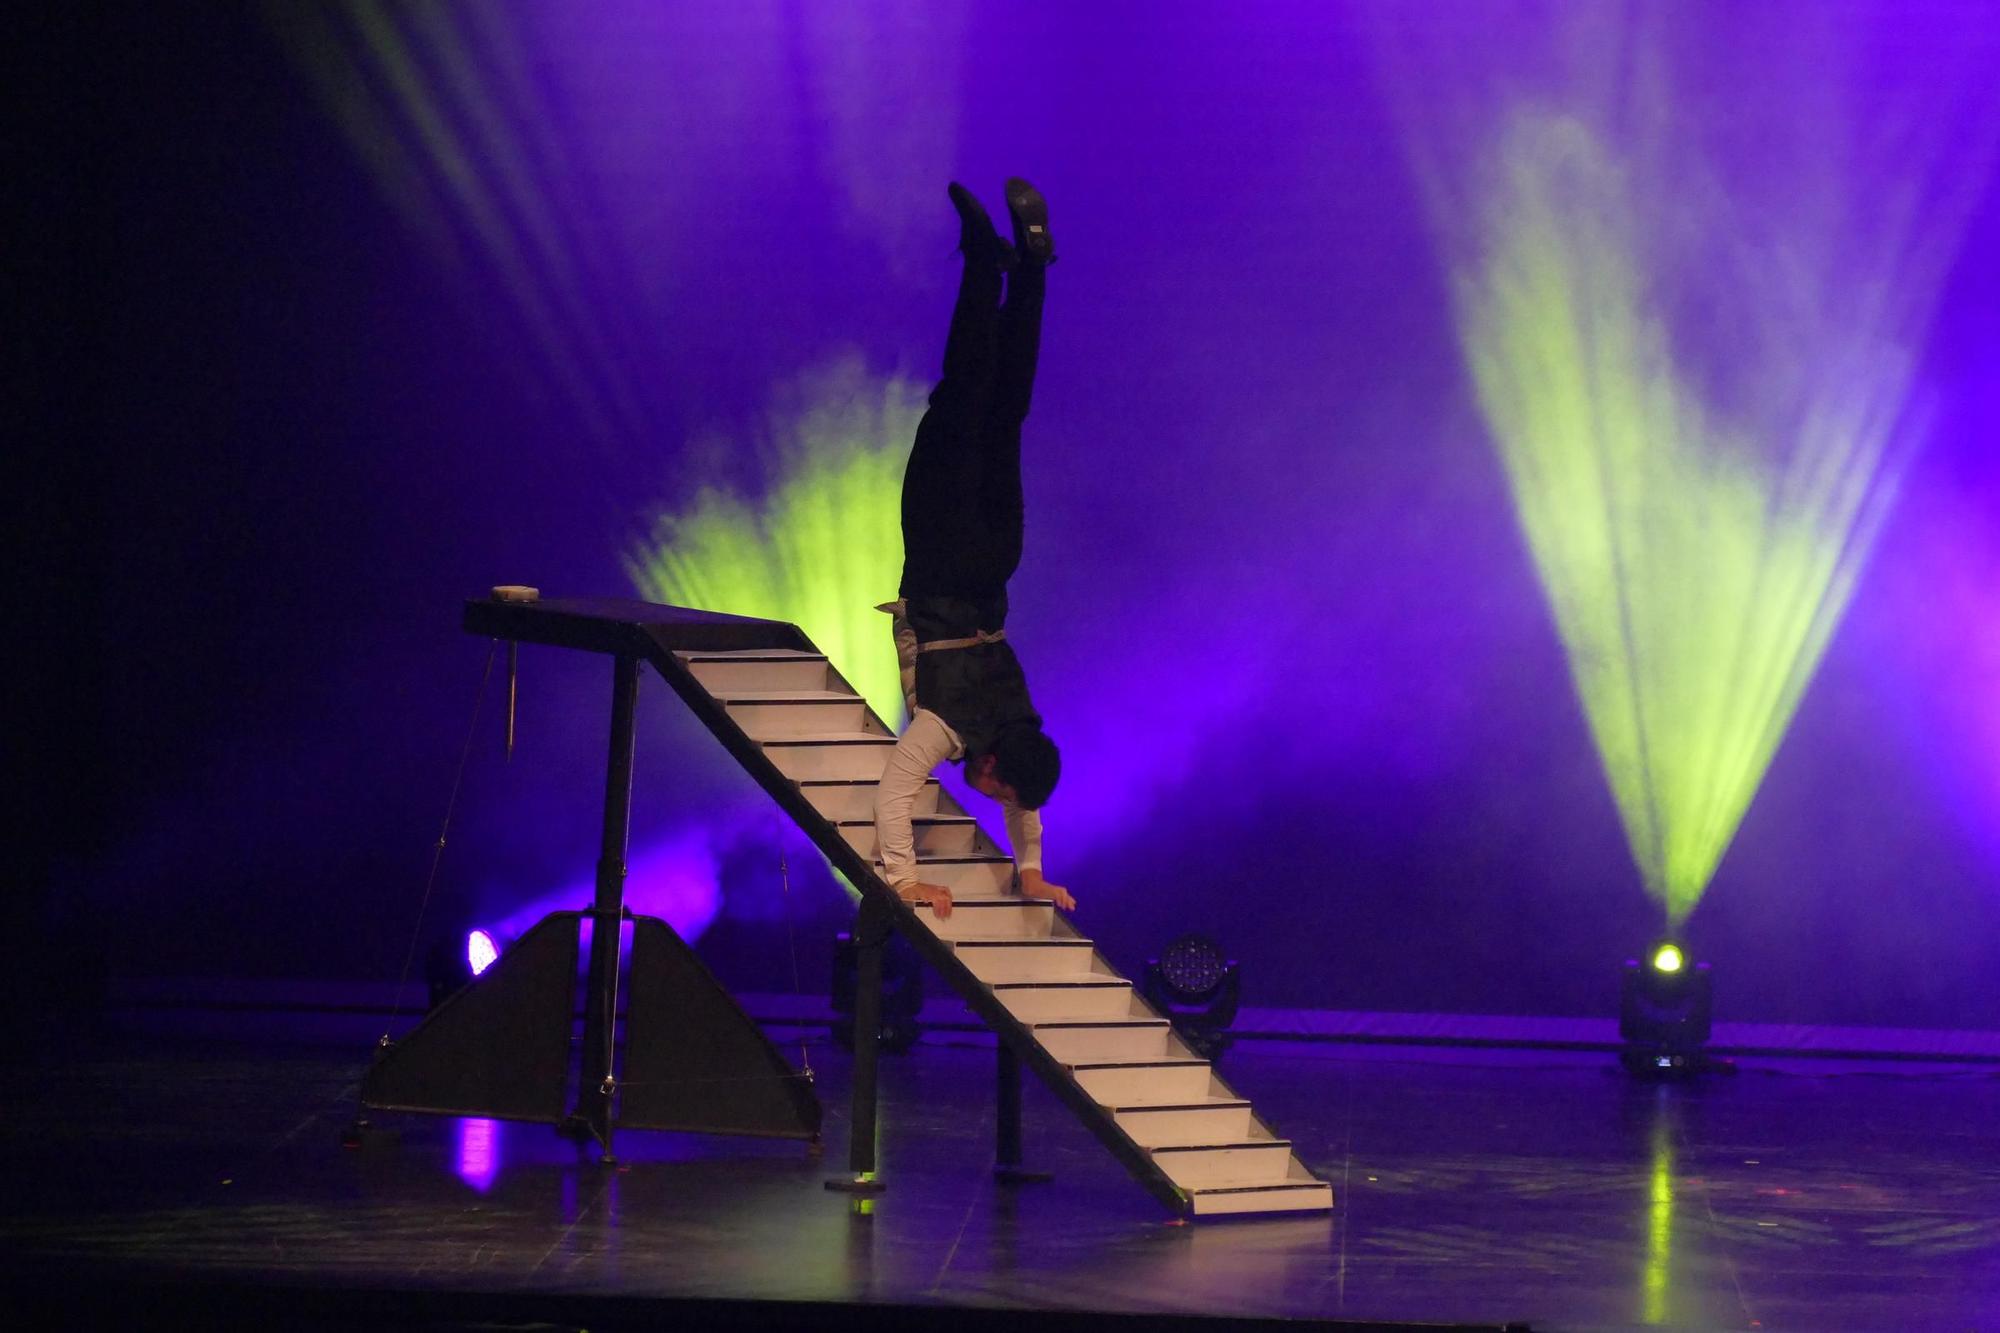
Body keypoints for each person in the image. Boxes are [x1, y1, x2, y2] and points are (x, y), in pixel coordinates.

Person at [873, 179, 1072, 921]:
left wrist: (1031, 871)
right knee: (963, 395)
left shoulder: (1022, 715)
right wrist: (903, 879)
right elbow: (894, 790)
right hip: (945, 557)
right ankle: (984, 263)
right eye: (997, 789)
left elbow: (1029, 800)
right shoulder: (951, 726)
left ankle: (1031, 269)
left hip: (999, 559)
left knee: (1005, 411)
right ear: (988, 769)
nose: (992, 798)